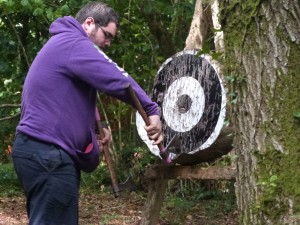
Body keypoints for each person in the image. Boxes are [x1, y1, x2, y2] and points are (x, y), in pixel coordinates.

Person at [11, 1, 163, 225]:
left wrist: (93, 136)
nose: (108, 43)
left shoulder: (63, 45)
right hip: (47, 156)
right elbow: (117, 78)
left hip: (40, 154)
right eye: (107, 35)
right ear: (89, 23)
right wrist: (151, 110)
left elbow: (64, 109)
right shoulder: (73, 43)